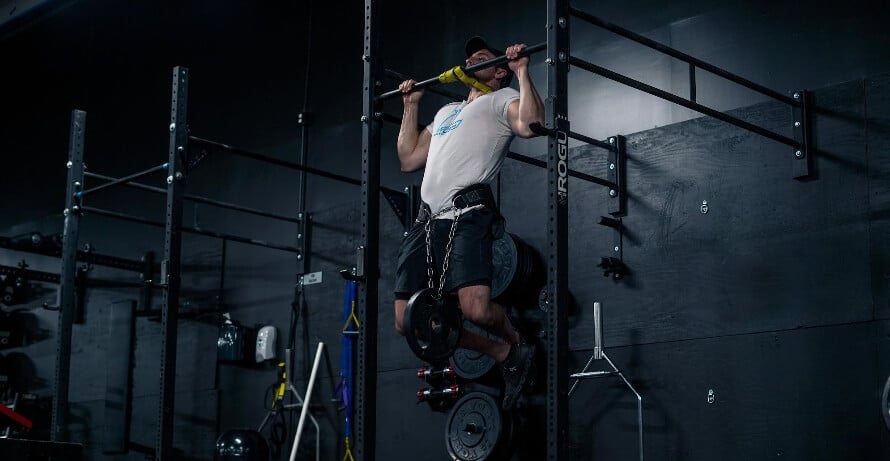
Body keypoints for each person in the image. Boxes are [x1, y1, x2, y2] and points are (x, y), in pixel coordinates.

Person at [393, 36, 545, 409]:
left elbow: (532, 124)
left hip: (468, 214)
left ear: (498, 72)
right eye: (470, 57)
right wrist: (411, 106)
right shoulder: (446, 113)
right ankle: (502, 353)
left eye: (482, 57)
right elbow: (409, 158)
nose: (472, 59)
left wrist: (523, 71)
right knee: (408, 321)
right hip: (427, 222)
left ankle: (518, 343)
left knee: (476, 309)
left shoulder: (500, 100)